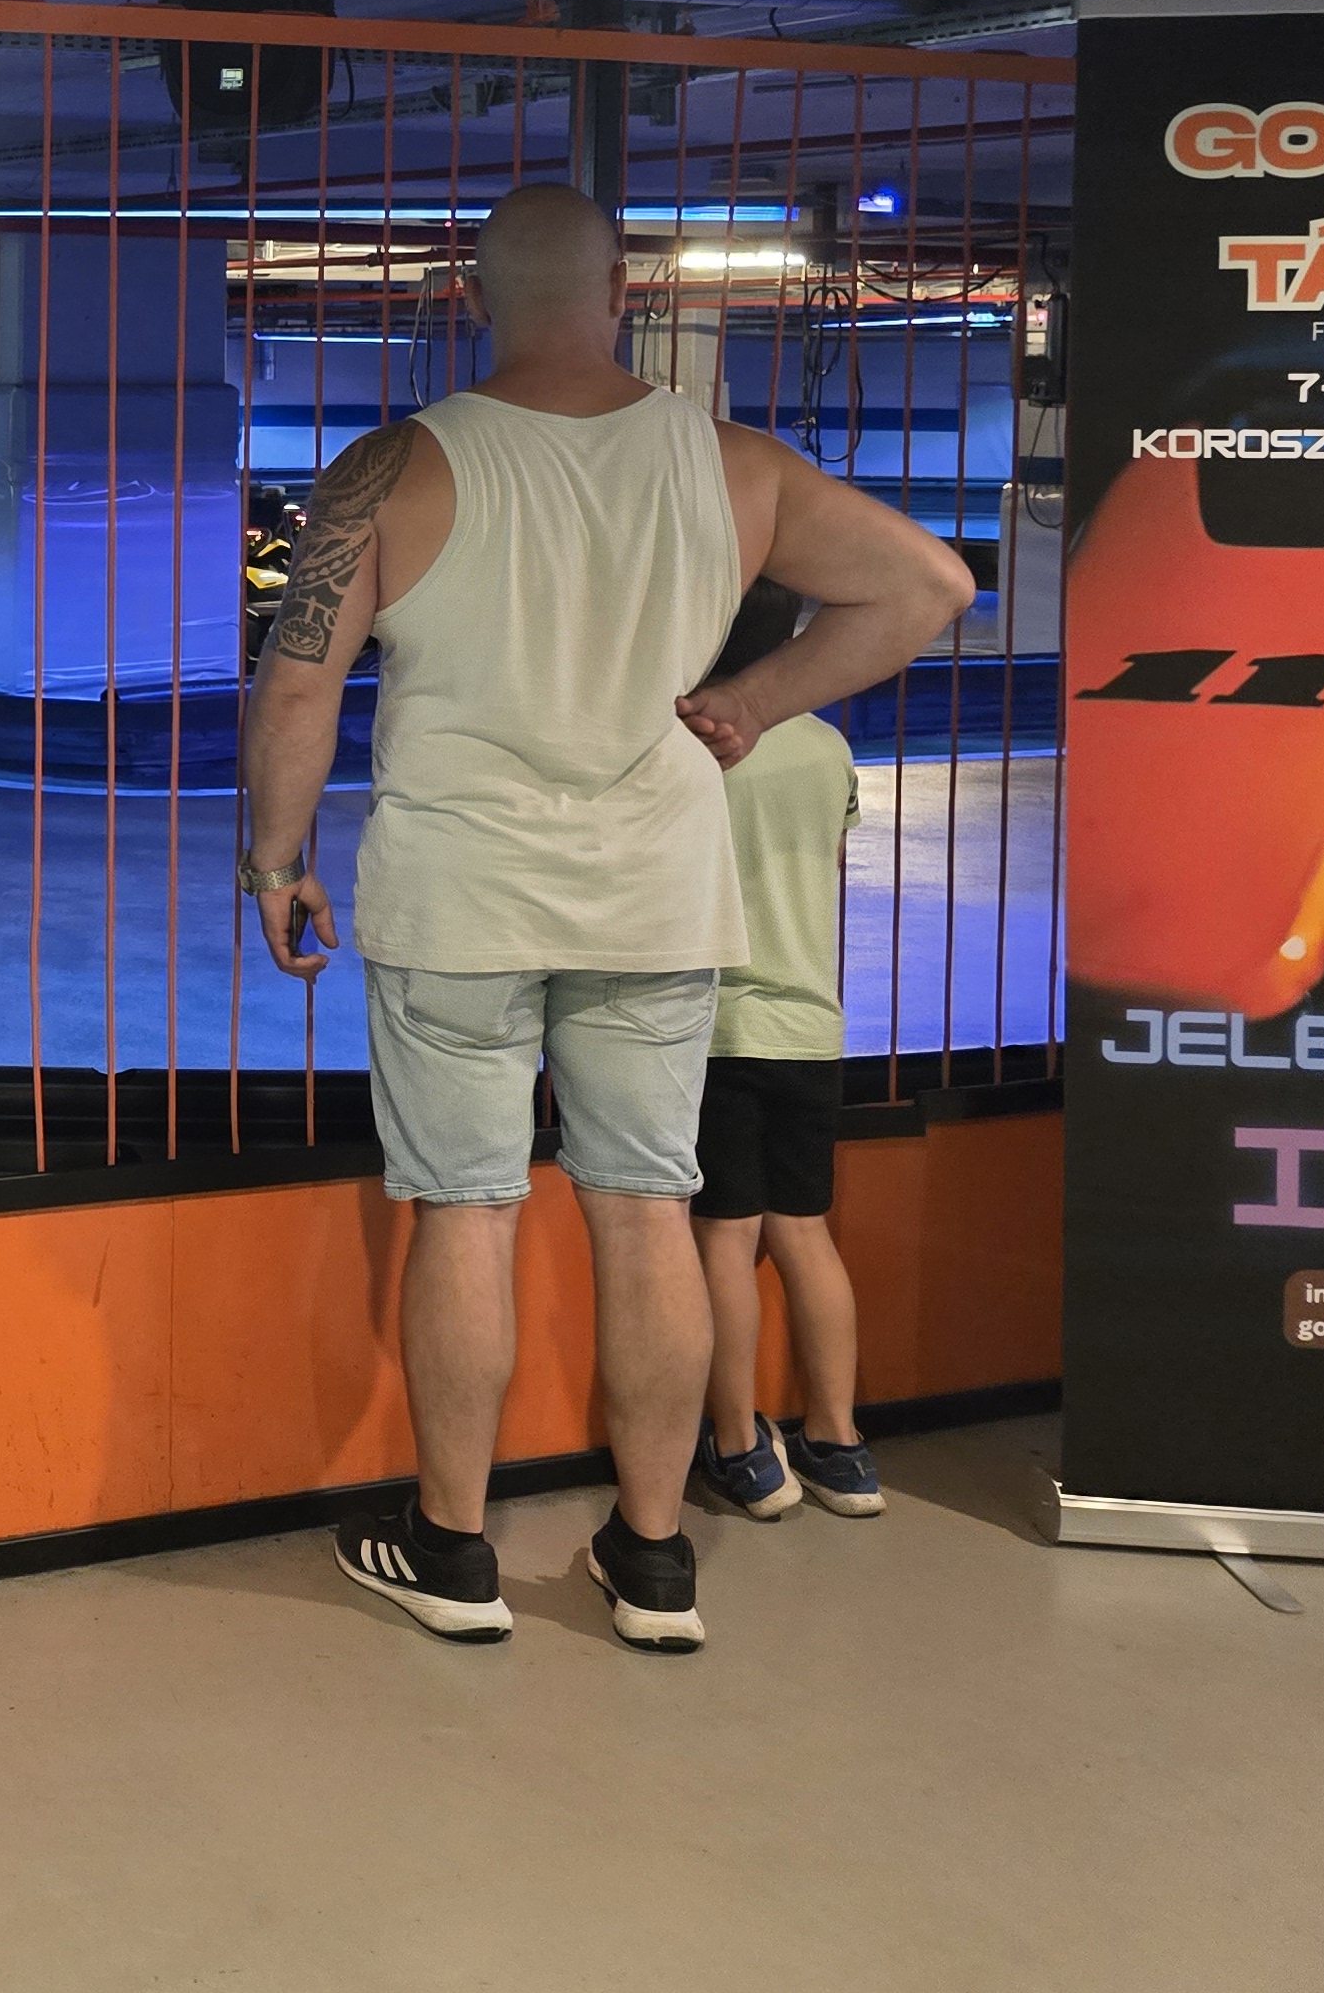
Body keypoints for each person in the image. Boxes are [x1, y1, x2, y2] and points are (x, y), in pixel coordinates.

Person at [241, 184, 968, 1652]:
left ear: (470, 296)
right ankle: (651, 1562)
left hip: (459, 897)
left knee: (465, 1210)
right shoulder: (732, 464)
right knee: (646, 1214)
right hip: (652, 897)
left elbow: (299, 680)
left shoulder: (390, 468)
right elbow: (928, 585)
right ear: (625, 292)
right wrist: (751, 701)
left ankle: (453, 1551)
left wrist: (275, 858)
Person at [681, 577, 884, 1524]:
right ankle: (840, 1447)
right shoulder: (826, 746)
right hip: (812, 1026)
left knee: (726, 1236)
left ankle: (740, 1451)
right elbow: (829, 860)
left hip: (719, 1028)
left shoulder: (699, 744)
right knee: (805, 1231)